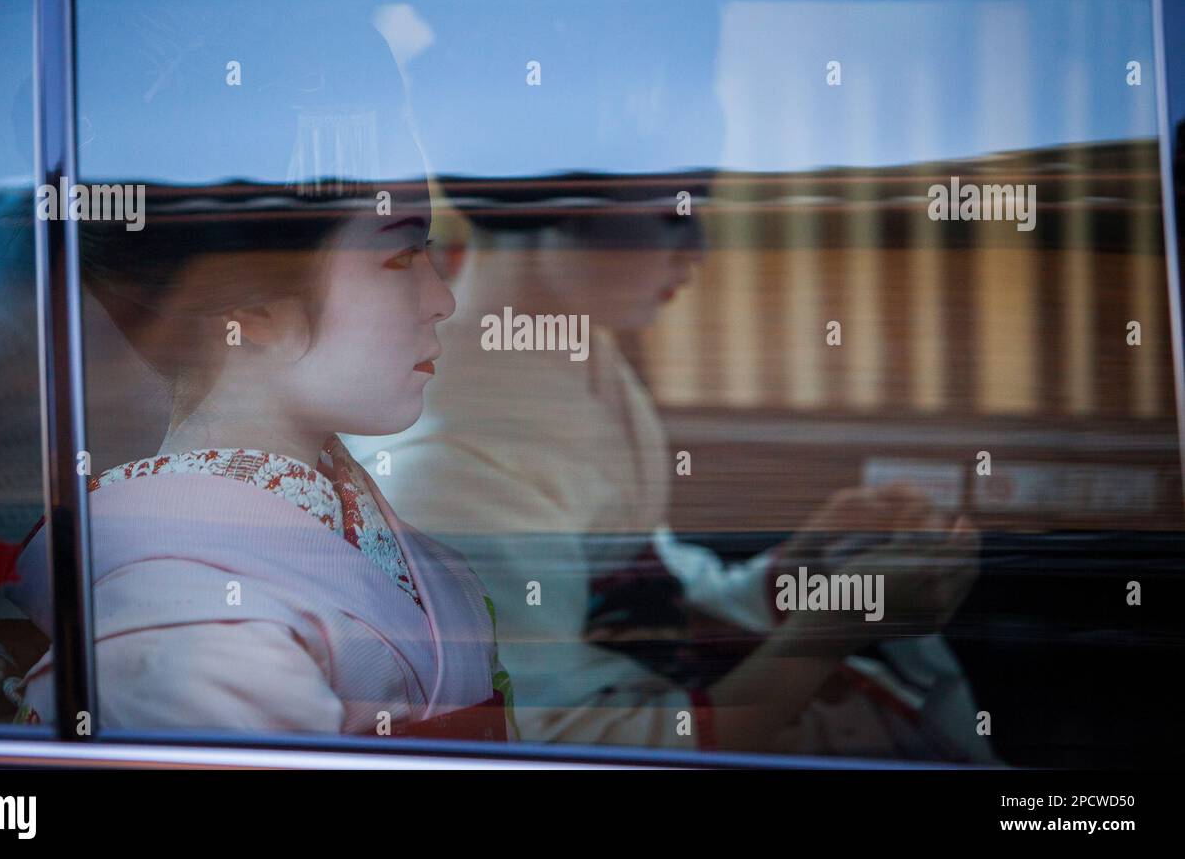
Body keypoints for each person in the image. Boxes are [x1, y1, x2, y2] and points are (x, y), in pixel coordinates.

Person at [6, 21, 513, 741]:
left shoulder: (320, 537)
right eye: (402, 259)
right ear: (246, 300)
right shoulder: (188, 625)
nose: (443, 300)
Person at [349, 196, 991, 759]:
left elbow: (637, 583)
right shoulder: (445, 463)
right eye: (671, 213)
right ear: (560, 200)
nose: (699, 248)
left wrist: (790, 575)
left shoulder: (570, 355)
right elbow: (553, 739)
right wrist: (828, 632)